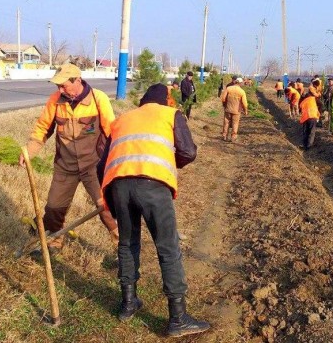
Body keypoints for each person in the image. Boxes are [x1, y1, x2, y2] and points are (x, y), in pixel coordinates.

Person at [98, 83, 210, 337]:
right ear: (165, 100)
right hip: (152, 187)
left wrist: (110, 197)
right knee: (168, 247)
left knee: (127, 244)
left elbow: (101, 164)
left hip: (119, 185)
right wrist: (169, 162)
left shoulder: (122, 119)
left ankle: (128, 304)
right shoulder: (170, 114)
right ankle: (178, 318)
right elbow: (188, 152)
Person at [18, 63, 118, 254]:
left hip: (94, 165)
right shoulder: (56, 100)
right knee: (54, 207)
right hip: (65, 165)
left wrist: (115, 162)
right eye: (58, 86)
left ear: (77, 80)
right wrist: (29, 151)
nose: (60, 89)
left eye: (64, 85)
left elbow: (112, 131)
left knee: (105, 208)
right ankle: (55, 241)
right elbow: (43, 128)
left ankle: (122, 247)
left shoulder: (98, 99)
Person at [221, 76, 248, 142]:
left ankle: (224, 136)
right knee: (235, 123)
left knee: (226, 122)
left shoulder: (228, 88)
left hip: (228, 109)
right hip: (237, 111)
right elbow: (244, 103)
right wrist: (245, 110)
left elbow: (223, 98)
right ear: (240, 83)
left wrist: (224, 105)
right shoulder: (242, 91)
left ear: (235, 82)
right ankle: (233, 137)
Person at [299, 84, 323, 150]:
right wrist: (319, 112)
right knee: (312, 132)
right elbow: (321, 104)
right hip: (313, 117)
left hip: (305, 118)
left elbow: (300, 109)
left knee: (305, 131)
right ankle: (309, 146)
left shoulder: (303, 101)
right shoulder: (313, 99)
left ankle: (305, 145)